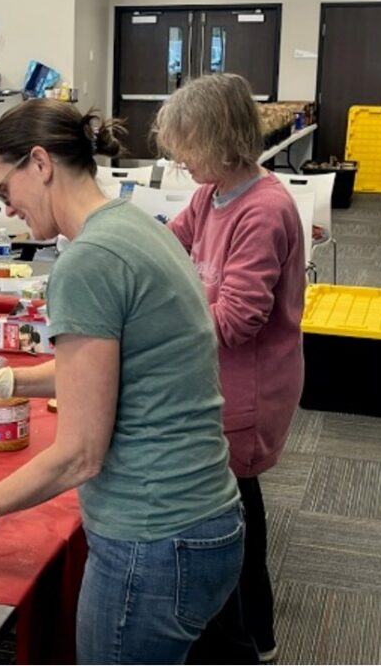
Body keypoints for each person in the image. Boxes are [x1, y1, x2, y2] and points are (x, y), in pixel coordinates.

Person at [0, 100, 245, 664]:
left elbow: (79, 456)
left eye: (4, 192)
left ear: (41, 163)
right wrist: (0, 383)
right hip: (201, 516)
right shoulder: (131, 225)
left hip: (153, 534)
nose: (8, 210)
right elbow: (105, 373)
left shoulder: (89, 259)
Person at [157, 74, 306, 663]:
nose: (178, 157)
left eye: (187, 145)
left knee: (236, 516)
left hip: (249, 389)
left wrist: (162, 318)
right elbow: (169, 249)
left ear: (223, 139)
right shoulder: (209, 194)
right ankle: (249, 632)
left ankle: (251, 641)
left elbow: (236, 320)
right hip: (220, 381)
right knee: (235, 508)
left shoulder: (263, 209)